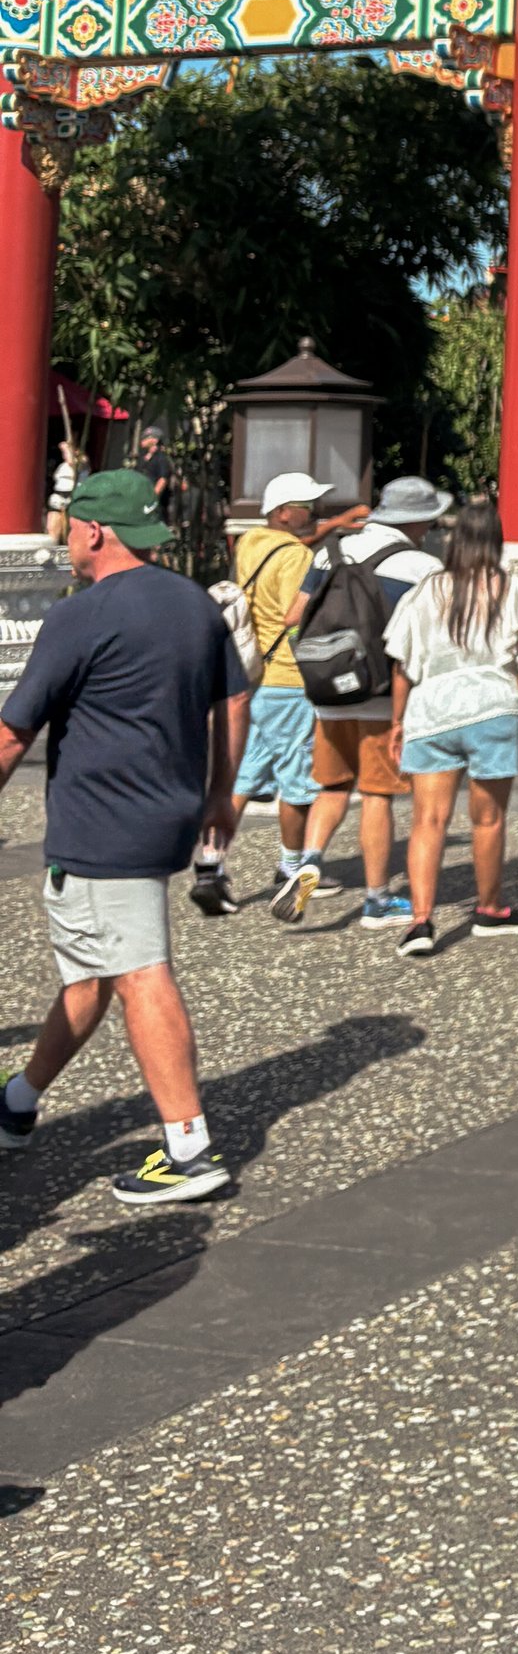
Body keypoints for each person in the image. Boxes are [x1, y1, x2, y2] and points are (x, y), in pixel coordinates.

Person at [0, 469, 253, 1206]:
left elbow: (14, 732)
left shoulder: (79, 616)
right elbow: (236, 697)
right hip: (167, 813)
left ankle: (188, 1146)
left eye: (71, 529)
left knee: (139, 971)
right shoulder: (194, 603)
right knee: (93, 971)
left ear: (93, 531)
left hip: (101, 824)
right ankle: (17, 1100)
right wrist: (222, 791)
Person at [277, 474, 451, 930]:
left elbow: (294, 615)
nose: (429, 529)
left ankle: (308, 863)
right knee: (377, 795)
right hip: (380, 696)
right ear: (415, 521)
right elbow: (434, 638)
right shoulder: (423, 567)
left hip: (328, 691)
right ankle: (377, 900)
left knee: (332, 787)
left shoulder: (330, 551)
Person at [384, 498, 518, 959]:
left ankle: (420, 921)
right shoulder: (510, 587)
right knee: (488, 818)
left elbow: (402, 665)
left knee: (427, 821)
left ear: (453, 541)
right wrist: (517, 699)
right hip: (493, 707)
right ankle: (490, 909)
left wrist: (397, 721)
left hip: (432, 710)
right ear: (496, 541)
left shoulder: (426, 590)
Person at [229, 472, 331, 908]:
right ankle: (291, 868)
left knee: (246, 774)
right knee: (296, 781)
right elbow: (295, 616)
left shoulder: (250, 543)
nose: (315, 513)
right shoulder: (296, 557)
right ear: (284, 513)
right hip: (289, 676)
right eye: (308, 506)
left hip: (257, 677)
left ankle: (211, 862)